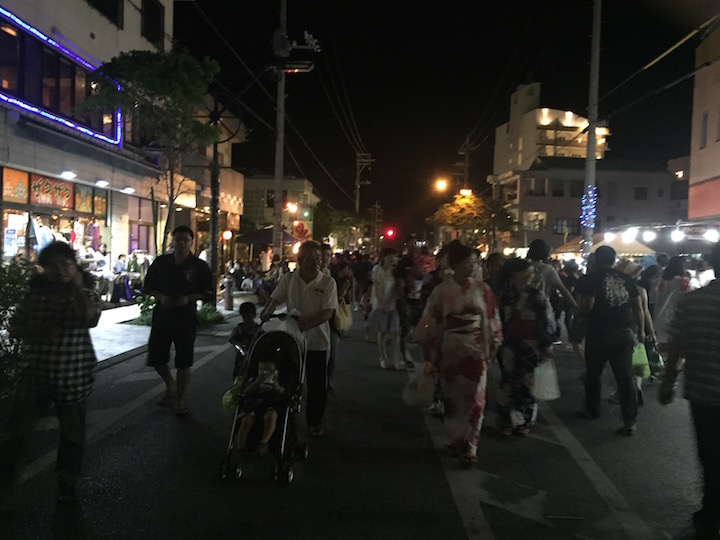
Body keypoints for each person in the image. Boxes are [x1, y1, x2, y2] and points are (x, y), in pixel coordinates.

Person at [0, 241, 102, 508]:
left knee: (72, 435)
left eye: (66, 264)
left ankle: (67, 485)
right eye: (53, 266)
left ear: (75, 265)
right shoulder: (34, 295)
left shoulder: (86, 292)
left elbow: (89, 317)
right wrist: (39, 331)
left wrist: (75, 287)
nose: (61, 270)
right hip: (34, 375)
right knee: (15, 434)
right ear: (43, 269)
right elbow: (14, 328)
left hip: (73, 375)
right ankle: (4, 487)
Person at [414, 242, 503, 466]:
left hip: (476, 349)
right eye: (467, 263)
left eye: (475, 263)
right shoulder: (441, 291)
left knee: (476, 399)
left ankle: (471, 445)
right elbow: (433, 321)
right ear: (455, 264)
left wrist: (493, 345)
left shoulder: (483, 290)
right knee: (453, 400)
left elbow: (491, 319)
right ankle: (455, 439)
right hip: (451, 350)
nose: (472, 267)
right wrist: (430, 352)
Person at [660, 242, 720, 540]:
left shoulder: (693, 302)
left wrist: (668, 380)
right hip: (703, 392)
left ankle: (711, 514)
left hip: (704, 393)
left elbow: (678, 346)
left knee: (711, 456)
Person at [260, 240, 338, 437]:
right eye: (310, 258)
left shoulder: (328, 283)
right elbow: (275, 299)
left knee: (317, 385)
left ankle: (314, 421)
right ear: (301, 260)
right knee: (287, 380)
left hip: (317, 342)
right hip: (291, 340)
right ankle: (284, 418)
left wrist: (307, 323)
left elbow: (328, 312)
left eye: (318, 258)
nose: (316, 262)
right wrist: (265, 314)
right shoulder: (289, 279)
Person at [143, 226, 213, 416]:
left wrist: (189, 298)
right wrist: (161, 297)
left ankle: (180, 398)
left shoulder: (199, 266)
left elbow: (207, 292)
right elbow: (148, 286)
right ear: (172, 241)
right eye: (178, 239)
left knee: (184, 360)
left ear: (191, 242)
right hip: (163, 315)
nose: (181, 243)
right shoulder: (161, 263)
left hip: (185, 318)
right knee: (156, 357)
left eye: (185, 240)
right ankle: (170, 383)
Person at [576, 246, 644, 436]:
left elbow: (587, 304)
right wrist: (641, 330)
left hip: (598, 332)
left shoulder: (592, 278)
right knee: (625, 378)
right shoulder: (626, 278)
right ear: (614, 260)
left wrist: (579, 314)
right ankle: (629, 420)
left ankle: (592, 410)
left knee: (593, 374)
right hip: (623, 333)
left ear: (596, 260)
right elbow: (638, 307)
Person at [495, 257, 553, 436]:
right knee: (508, 380)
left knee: (527, 382)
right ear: (514, 274)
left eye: (531, 272)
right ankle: (507, 420)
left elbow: (544, 322)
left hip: (530, 345)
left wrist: (545, 344)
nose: (530, 275)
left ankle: (522, 421)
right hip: (510, 344)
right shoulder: (505, 296)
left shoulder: (537, 296)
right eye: (525, 271)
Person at [232, 356, 286, 457]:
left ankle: (263, 442)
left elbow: (284, 393)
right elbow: (244, 392)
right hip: (254, 405)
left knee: (271, 416)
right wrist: (256, 383)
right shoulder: (253, 379)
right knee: (246, 421)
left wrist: (277, 387)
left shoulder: (277, 381)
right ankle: (240, 447)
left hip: (269, 405)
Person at [526, 239, 577, 343]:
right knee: (544, 342)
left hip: (523, 308)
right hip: (542, 309)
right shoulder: (548, 269)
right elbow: (564, 291)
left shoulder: (523, 267)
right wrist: (576, 306)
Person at [368, 247, 402, 369]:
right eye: (390, 256)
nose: (392, 258)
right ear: (384, 257)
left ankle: (397, 358)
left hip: (393, 305)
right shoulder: (378, 270)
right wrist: (382, 303)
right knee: (382, 332)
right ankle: (383, 358)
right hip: (380, 305)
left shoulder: (395, 271)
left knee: (394, 332)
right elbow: (376, 288)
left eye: (394, 256)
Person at [654, 255, 692, 353]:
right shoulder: (683, 283)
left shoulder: (660, 281)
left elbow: (654, 298)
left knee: (660, 345)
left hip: (659, 315)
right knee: (673, 346)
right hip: (676, 317)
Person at [229, 301, 264, 378]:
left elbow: (263, 340)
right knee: (238, 375)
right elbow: (232, 340)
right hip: (241, 358)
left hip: (254, 356)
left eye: (249, 317)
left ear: (254, 315)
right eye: (244, 317)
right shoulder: (239, 328)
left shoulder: (258, 329)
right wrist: (240, 346)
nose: (246, 319)